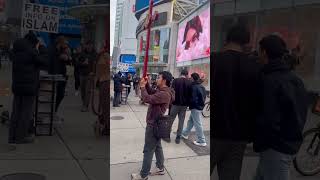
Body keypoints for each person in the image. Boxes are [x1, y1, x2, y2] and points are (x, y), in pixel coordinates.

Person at [253, 35, 308, 180]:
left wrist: (261, 139)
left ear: (264, 52)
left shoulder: (269, 80)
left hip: (275, 146)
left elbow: (267, 117)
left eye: (259, 51)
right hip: (288, 143)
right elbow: (302, 111)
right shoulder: (295, 79)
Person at [211, 24, 261, 178]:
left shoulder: (214, 60)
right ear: (246, 42)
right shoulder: (255, 66)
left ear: (226, 39)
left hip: (215, 133)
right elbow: (257, 103)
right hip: (239, 136)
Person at [131, 71, 175, 180]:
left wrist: (142, 87)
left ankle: (143, 175)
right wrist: (146, 84)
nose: (157, 79)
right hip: (157, 125)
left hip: (154, 125)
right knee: (157, 147)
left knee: (148, 150)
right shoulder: (163, 91)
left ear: (164, 80)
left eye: (159, 77)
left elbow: (147, 98)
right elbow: (151, 92)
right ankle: (160, 167)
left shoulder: (164, 93)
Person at [9, 32, 48, 144]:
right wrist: (41, 46)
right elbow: (45, 61)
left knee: (16, 111)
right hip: (29, 87)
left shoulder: (15, 51)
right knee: (26, 113)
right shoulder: (31, 52)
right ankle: (21, 137)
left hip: (17, 85)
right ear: (33, 42)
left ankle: (12, 137)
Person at [180, 73, 207, 146]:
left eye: (190, 78)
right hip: (199, 107)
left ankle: (201, 141)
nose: (189, 79)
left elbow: (193, 99)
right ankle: (185, 133)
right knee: (191, 121)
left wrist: (188, 104)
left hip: (195, 107)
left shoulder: (194, 87)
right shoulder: (201, 86)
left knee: (197, 124)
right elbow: (204, 97)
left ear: (192, 78)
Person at [169, 69, 192, 144]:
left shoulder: (175, 80)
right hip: (184, 105)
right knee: (181, 121)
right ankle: (178, 137)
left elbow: (171, 91)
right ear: (186, 74)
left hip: (175, 104)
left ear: (181, 73)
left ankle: (167, 135)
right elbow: (190, 94)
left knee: (171, 119)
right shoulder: (189, 82)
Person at [78, 41, 97, 112]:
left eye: (90, 46)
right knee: (82, 90)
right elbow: (77, 63)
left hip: (90, 75)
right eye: (88, 46)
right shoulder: (82, 53)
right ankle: (84, 103)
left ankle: (85, 106)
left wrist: (93, 72)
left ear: (92, 46)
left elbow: (96, 64)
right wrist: (83, 63)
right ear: (86, 46)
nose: (89, 47)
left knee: (87, 91)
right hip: (82, 74)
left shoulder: (95, 54)